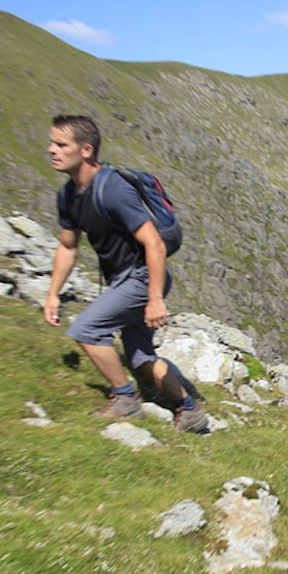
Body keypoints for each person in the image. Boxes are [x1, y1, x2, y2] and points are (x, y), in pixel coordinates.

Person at [42, 115, 209, 433]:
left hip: (143, 278)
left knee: (86, 330)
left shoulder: (113, 189)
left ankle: (125, 399)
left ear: (86, 149)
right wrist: (53, 293)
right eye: (51, 142)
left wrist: (154, 299)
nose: (51, 150)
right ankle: (189, 410)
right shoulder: (68, 196)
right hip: (125, 280)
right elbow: (67, 247)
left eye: (61, 144)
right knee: (140, 359)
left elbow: (154, 244)